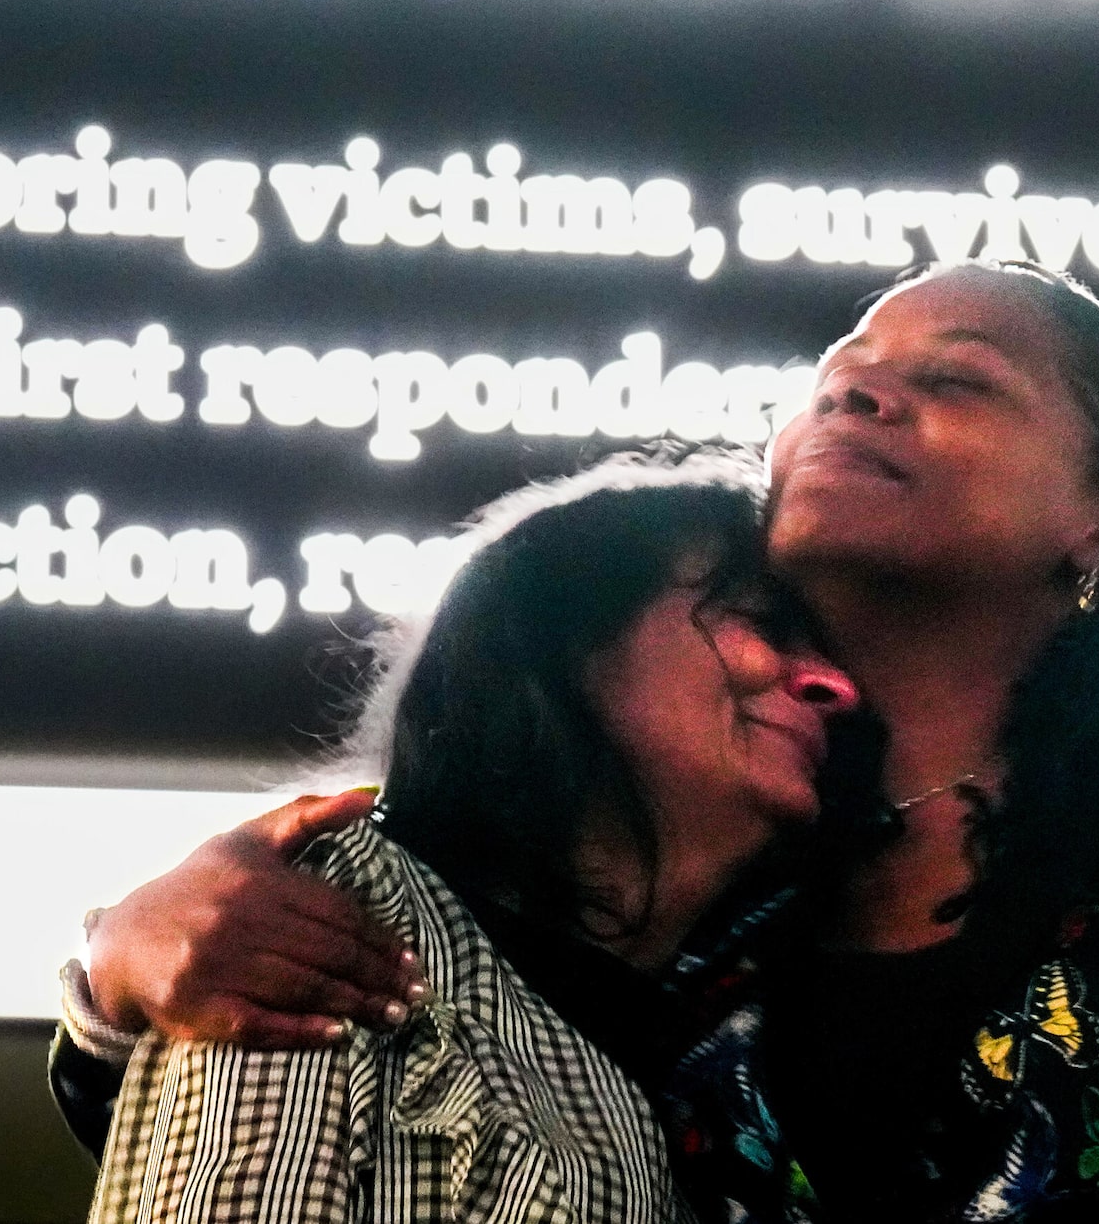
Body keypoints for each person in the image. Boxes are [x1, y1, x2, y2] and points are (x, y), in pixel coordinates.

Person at [71, 262, 1099, 1224]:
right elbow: (368, 1072)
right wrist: (116, 967)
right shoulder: (707, 821)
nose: (856, 386)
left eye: (959, 377)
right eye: (843, 364)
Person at [75, 454, 861, 1223]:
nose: (836, 686)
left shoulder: (732, 1042)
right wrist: (116, 967)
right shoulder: (344, 913)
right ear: (561, 635)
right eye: (761, 621)